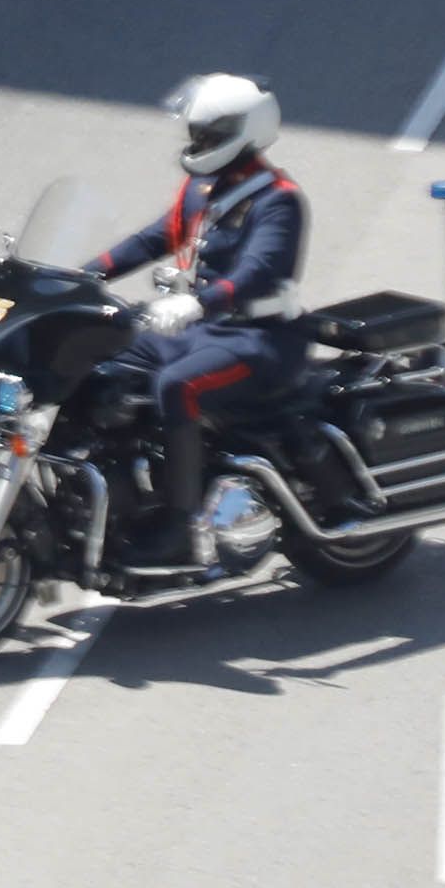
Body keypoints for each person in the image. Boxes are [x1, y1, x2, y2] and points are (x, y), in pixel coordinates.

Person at [94, 73, 307, 566]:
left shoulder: (278, 199)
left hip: (262, 339)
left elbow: (258, 272)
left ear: (246, 131)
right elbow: (152, 240)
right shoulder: (202, 187)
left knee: (177, 386)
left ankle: (180, 522)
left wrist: (197, 303)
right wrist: (78, 276)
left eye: (210, 134)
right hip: (205, 331)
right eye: (197, 133)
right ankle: (124, 485)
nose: (198, 143)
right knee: (102, 356)